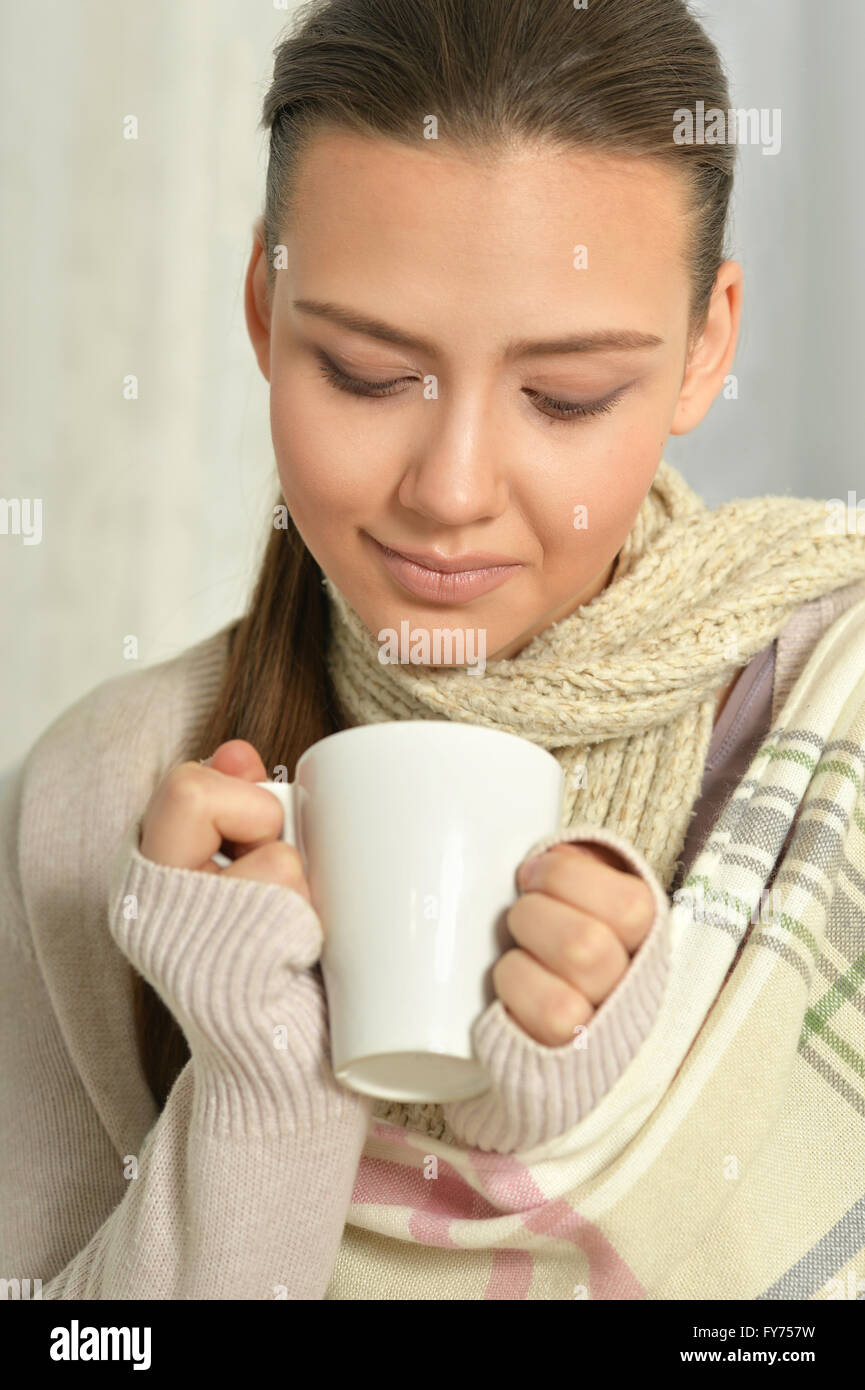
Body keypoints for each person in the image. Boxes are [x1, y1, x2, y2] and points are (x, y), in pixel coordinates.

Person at [3, 0, 865, 1301]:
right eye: (361, 371)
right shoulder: (97, 805)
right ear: (262, 304)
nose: (451, 490)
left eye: (565, 395)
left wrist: (608, 1091)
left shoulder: (836, 721)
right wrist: (257, 1091)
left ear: (705, 347)